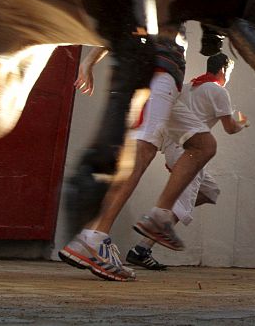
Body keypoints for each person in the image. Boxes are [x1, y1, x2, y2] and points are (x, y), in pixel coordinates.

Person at [59, 30, 219, 281]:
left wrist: (88, 61)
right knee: (141, 155)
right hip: (158, 77)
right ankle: (96, 237)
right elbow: (133, 19)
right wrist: (89, 61)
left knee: (204, 145)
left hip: (167, 83)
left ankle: (92, 239)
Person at [126, 53, 248, 268]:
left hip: (176, 148)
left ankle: (169, 207)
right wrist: (241, 123)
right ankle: (141, 248)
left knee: (210, 191)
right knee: (184, 203)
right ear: (225, 70)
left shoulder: (187, 86)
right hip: (191, 151)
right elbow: (230, 128)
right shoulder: (219, 91)